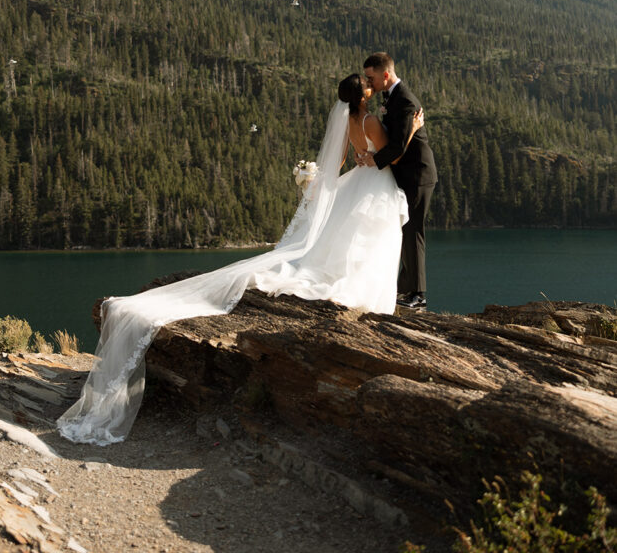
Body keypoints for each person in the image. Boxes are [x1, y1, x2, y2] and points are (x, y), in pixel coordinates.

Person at [57, 76, 422, 447]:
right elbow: (390, 155)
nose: (372, 88)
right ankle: (366, 289)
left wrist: (332, 174)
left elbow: (343, 160)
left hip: (357, 179)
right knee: (368, 241)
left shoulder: (348, 122)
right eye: (368, 86)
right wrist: (412, 129)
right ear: (363, 95)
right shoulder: (370, 121)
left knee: (352, 239)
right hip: (374, 184)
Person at [357, 53, 437, 310]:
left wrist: (375, 160)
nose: (369, 83)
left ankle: (418, 295)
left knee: (413, 231)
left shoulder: (405, 101)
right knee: (405, 231)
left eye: (371, 77)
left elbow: (399, 146)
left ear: (385, 75)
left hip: (418, 174)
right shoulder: (392, 98)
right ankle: (406, 289)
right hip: (405, 173)